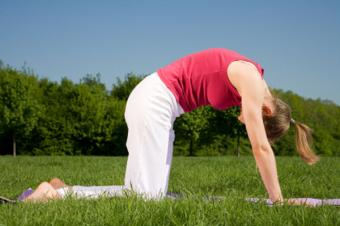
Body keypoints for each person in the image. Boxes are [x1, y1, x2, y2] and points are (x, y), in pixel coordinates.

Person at [24, 48, 319, 203]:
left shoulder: (254, 81)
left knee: (142, 192)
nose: (243, 119)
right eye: (250, 119)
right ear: (266, 110)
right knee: (147, 199)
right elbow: (260, 148)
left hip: (160, 107)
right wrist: (277, 201)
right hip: (154, 101)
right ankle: (52, 195)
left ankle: (64, 189)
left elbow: (262, 137)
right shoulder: (253, 84)